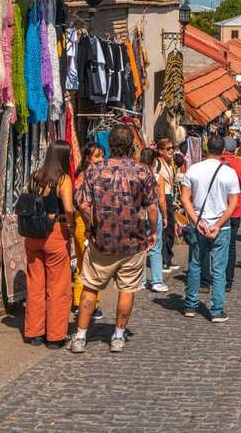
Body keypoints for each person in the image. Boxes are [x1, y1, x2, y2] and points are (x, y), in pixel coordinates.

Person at [70, 127, 159, 353]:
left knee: (90, 286)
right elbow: (151, 207)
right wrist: (154, 231)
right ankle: (118, 336)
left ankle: (80, 336)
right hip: (132, 240)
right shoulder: (143, 171)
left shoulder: (94, 171)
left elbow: (82, 203)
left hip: (102, 240)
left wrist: (91, 226)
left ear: (110, 144)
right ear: (132, 145)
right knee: (127, 288)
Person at [180, 135, 241, 323]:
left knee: (195, 264)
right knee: (219, 269)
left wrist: (196, 220)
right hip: (220, 227)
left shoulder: (193, 169)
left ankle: (190, 305)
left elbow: (184, 198)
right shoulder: (229, 173)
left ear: (206, 148)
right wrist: (218, 224)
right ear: (223, 151)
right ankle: (216, 310)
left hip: (198, 224)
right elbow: (233, 204)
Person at [22, 140, 75, 347]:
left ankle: (34, 332)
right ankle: (55, 335)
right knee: (58, 285)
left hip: (32, 234)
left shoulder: (35, 176)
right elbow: (69, 208)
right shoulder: (63, 180)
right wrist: (70, 227)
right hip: (54, 233)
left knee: (35, 283)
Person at [71, 140, 105, 324]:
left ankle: (79, 301)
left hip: (83, 222)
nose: (101, 160)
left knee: (83, 264)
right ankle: (89, 303)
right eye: (97, 156)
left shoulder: (86, 175)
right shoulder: (85, 177)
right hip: (85, 223)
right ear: (87, 158)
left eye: (102, 155)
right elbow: (85, 206)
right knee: (91, 265)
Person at [218, 135, 241, 292]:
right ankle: (228, 280)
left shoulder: (215, 165)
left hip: (216, 211)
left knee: (212, 246)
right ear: (235, 150)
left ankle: (209, 279)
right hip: (234, 211)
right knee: (230, 246)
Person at [137, 147, 170, 294]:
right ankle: (156, 281)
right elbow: (162, 200)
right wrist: (165, 216)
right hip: (153, 212)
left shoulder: (134, 175)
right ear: (153, 161)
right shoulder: (157, 177)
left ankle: (141, 280)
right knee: (156, 247)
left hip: (138, 214)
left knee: (141, 248)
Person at [155, 138, 179, 272]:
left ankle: (168, 258)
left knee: (170, 228)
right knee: (165, 229)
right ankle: (164, 260)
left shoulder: (169, 163)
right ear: (160, 150)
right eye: (168, 149)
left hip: (169, 196)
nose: (171, 151)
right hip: (162, 197)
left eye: (172, 148)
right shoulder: (157, 164)